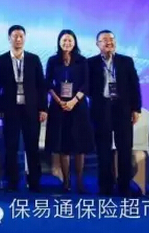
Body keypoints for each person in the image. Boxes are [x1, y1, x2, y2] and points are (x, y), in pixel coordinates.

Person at [88, 30, 142, 197]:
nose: (108, 42)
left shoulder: (126, 61)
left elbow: (134, 85)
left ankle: (124, 186)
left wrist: (136, 109)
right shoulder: (90, 63)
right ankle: (105, 186)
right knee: (103, 150)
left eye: (111, 39)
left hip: (122, 109)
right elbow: (86, 87)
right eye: (104, 40)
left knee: (124, 148)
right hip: (101, 109)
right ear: (97, 44)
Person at [0, 25, 47, 192]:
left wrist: (43, 108)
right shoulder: (0, 60)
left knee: (32, 146)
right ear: (9, 38)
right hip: (10, 109)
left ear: (25, 38)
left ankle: (34, 181)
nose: (18, 39)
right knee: (11, 146)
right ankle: (12, 181)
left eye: (21, 36)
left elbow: (41, 85)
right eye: (15, 36)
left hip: (31, 109)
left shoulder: (34, 59)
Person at [44, 29, 93, 193]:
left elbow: (86, 84)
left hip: (78, 107)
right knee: (62, 145)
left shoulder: (82, 61)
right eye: (64, 40)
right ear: (59, 42)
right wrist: (59, 101)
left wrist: (73, 101)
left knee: (79, 146)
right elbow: (48, 83)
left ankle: (79, 181)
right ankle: (66, 182)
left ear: (75, 42)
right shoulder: (53, 60)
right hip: (58, 107)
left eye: (70, 40)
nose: (67, 43)